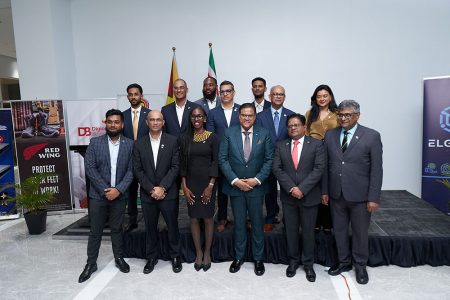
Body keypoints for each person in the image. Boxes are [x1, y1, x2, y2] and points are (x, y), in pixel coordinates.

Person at [322, 100, 383, 285]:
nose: (343, 118)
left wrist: (373, 197)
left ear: (357, 115)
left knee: (360, 232)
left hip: (361, 196)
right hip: (336, 194)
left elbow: (376, 170)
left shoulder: (371, 136)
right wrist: (324, 191)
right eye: (340, 114)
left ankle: (360, 265)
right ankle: (344, 262)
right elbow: (326, 166)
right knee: (339, 231)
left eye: (347, 115)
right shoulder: (330, 135)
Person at [79, 109, 134, 283]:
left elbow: (132, 171)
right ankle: (91, 263)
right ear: (106, 123)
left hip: (120, 195)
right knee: (95, 231)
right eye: (110, 121)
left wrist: (118, 190)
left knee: (117, 229)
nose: (113, 125)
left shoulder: (130, 144)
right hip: (97, 196)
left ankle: (118, 258)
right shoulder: (95, 143)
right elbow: (90, 169)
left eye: (116, 122)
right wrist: (106, 190)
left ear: (122, 124)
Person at [218, 103, 273, 276]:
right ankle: (239, 257)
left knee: (257, 224)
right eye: (244, 115)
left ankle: (258, 259)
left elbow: (269, 160)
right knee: (239, 224)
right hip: (236, 188)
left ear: (255, 117)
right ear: (239, 116)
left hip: (256, 188)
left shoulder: (264, 134)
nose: (247, 118)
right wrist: (235, 180)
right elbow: (223, 159)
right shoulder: (229, 133)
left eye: (250, 115)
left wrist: (256, 180)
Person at [272, 114, 325, 282]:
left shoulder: (316, 145)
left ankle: (308, 265)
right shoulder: (281, 146)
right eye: (290, 126)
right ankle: (293, 262)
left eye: (296, 125)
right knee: (291, 232)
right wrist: (291, 188)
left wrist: (302, 189)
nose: (293, 128)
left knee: (309, 232)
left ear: (304, 127)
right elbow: (277, 169)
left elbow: (319, 169)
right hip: (289, 198)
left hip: (309, 197)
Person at [133, 110, 182, 274]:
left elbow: (175, 167)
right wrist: (151, 189)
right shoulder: (139, 143)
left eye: (158, 120)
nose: (155, 122)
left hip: (168, 193)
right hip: (148, 195)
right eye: (152, 120)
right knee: (150, 228)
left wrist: (163, 187)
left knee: (173, 227)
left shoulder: (173, 141)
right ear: (146, 122)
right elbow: (138, 170)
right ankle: (151, 257)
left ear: (163, 122)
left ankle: (175, 256)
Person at [180, 106, 219, 272]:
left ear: (204, 118)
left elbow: (215, 162)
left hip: (208, 183)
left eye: (199, 116)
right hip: (191, 184)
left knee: (208, 218)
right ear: (190, 119)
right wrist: (184, 186)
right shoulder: (185, 138)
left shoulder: (212, 137)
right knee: (194, 218)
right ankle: (198, 253)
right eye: (193, 116)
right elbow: (182, 164)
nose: (196, 119)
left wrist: (210, 186)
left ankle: (207, 253)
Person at [256, 85, 294, 231]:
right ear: (270, 96)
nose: (278, 96)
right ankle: (270, 217)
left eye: (281, 94)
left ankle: (288, 220)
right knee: (270, 191)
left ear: (284, 97)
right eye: (275, 94)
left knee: (287, 191)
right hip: (267, 160)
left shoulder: (291, 115)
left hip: (287, 161)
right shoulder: (260, 117)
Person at [206, 80, 240, 233]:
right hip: (220, 156)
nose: (225, 94)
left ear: (233, 92)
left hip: (240, 157)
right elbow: (212, 136)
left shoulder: (242, 110)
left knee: (240, 188)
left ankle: (241, 218)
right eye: (223, 91)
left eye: (228, 91)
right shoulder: (213, 113)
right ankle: (222, 218)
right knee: (221, 191)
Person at [305, 85, 338, 233]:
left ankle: (329, 222)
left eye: (325, 95)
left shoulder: (337, 114)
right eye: (319, 96)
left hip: (332, 153)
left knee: (330, 187)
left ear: (330, 97)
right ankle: (316, 221)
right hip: (313, 153)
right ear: (315, 99)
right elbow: (305, 134)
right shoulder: (309, 114)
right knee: (315, 187)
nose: (322, 99)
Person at [122, 83, 151, 231]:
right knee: (131, 192)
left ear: (141, 96)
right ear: (128, 97)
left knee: (147, 191)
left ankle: (149, 221)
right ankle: (132, 220)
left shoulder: (150, 115)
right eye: (130, 94)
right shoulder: (122, 116)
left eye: (136, 94)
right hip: (129, 160)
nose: (133, 97)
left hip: (147, 160)